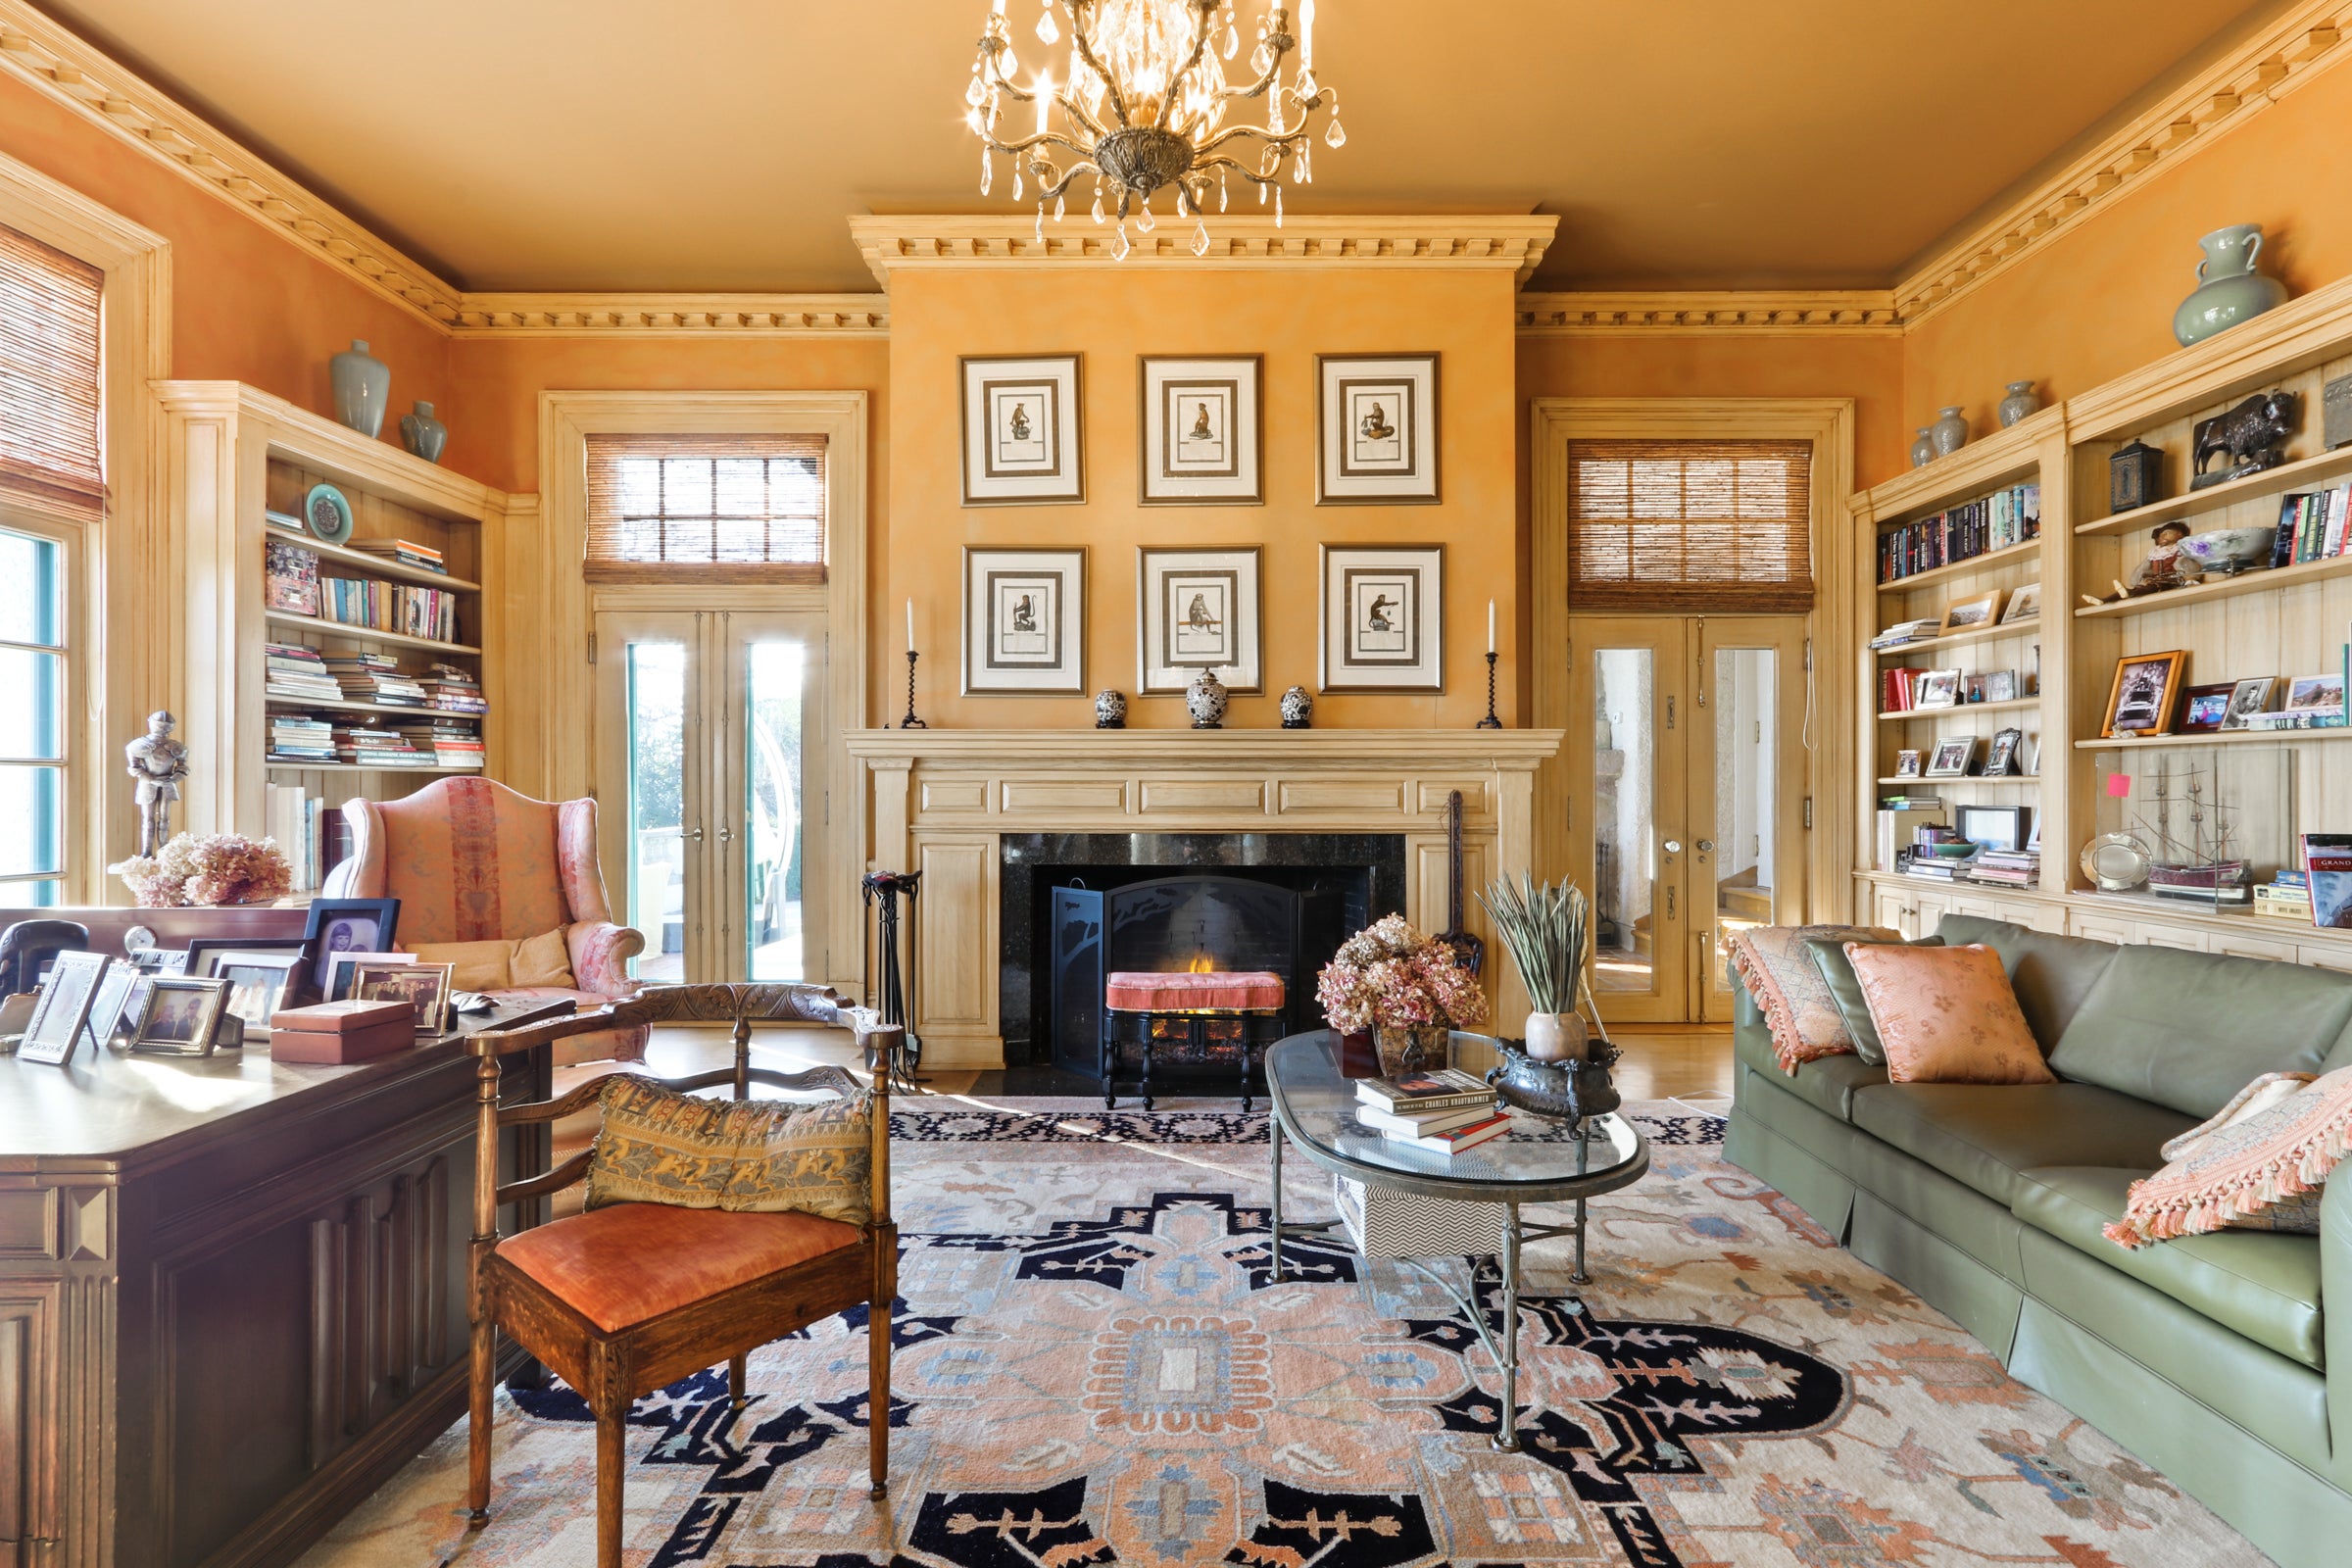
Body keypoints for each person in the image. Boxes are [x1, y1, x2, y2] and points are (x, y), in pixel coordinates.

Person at [124, 711, 188, 858]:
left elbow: (183, 768)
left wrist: (173, 778)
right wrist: (151, 779)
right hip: (148, 783)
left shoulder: (177, 747)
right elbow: (135, 768)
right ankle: (146, 852)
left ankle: (164, 851)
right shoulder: (138, 745)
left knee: (165, 819)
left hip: (167, 782)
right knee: (148, 819)